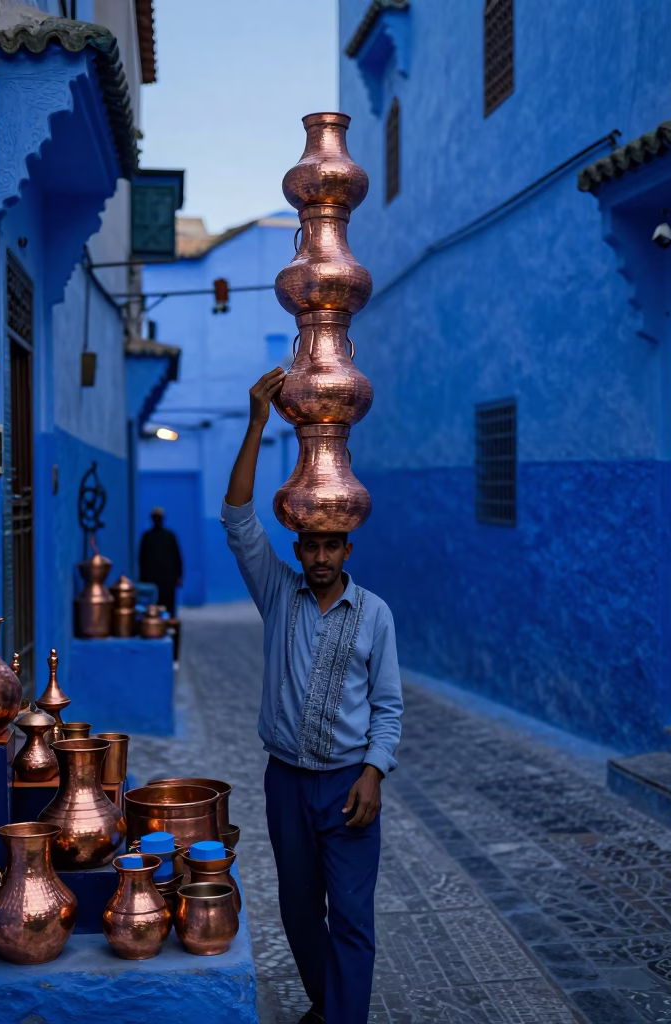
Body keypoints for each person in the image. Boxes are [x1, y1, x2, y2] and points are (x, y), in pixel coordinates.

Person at [221, 367, 403, 1024]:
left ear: (347, 546)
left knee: (352, 917)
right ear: (298, 546)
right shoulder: (278, 595)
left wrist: (374, 773)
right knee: (299, 909)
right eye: (312, 544)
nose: (321, 556)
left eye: (332, 544)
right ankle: (329, 1006)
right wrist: (255, 423)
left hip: (348, 787)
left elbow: (388, 708)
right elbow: (238, 518)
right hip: (287, 786)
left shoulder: (375, 614)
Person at [138, 507, 183, 615]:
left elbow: (177, 557)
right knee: (153, 606)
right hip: (153, 579)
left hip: (167, 579)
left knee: (168, 606)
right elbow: (142, 559)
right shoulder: (147, 537)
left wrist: (178, 576)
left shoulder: (169, 536)